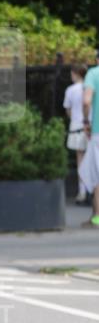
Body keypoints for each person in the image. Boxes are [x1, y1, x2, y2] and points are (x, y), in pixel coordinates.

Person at [63, 64, 89, 204]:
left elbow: (68, 110)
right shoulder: (89, 86)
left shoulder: (70, 90)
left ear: (74, 73)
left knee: (80, 159)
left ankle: (82, 191)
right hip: (91, 125)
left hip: (77, 125)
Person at [79, 58, 99, 229]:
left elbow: (86, 101)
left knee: (95, 175)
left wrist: (86, 120)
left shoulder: (94, 73)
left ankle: (97, 217)